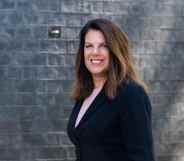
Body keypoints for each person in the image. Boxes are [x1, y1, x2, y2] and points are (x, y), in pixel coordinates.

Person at [67, 18, 155, 161]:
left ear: (115, 51)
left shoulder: (131, 94)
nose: (95, 52)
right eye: (88, 46)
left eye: (104, 46)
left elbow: (142, 156)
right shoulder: (85, 93)